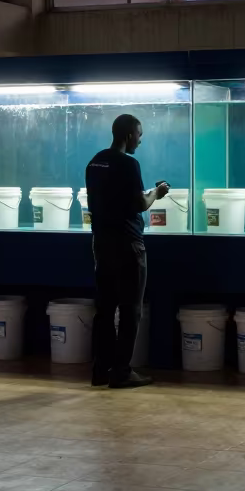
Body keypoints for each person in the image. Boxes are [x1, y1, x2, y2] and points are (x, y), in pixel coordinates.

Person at [85, 113, 169, 388]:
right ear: (129, 135)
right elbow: (138, 204)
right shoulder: (128, 164)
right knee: (131, 310)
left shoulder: (94, 162)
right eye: (139, 136)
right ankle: (121, 371)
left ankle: (99, 370)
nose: (140, 141)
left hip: (101, 243)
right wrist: (157, 192)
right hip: (128, 244)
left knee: (105, 309)